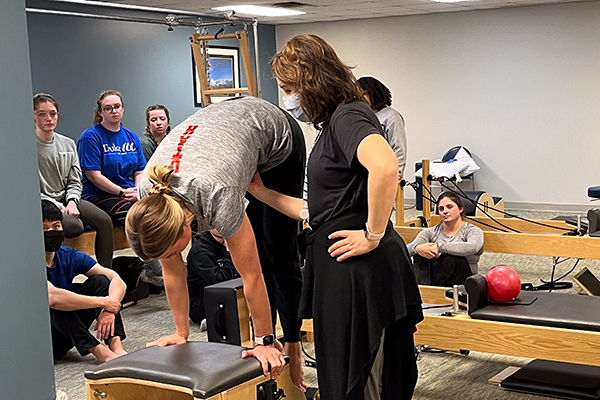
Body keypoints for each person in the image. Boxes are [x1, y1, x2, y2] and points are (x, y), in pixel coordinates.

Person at [249, 34, 423, 400]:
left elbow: (387, 167)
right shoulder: (334, 124)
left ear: (309, 82)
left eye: (288, 88)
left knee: (360, 381)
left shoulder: (348, 115)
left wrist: (372, 234)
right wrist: (261, 192)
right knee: (341, 375)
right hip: (342, 264)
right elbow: (316, 212)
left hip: (361, 269)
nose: (287, 99)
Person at [125, 96, 307, 390]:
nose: (172, 257)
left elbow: (251, 275)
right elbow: (172, 272)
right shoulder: (149, 194)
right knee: (259, 245)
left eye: (173, 251)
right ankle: (274, 341)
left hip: (274, 136)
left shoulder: (216, 194)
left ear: (186, 223)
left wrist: (262, 343)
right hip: (226, 142)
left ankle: (293, 348)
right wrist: (180, 332)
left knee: (276, 250)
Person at [77, 90, 162, 286]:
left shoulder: (130, 136)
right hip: (100, 194)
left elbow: (140, 170)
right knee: (136, 216)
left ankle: (154, 266)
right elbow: (93, 175)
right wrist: (122, 192)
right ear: (100, 112)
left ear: (122, 109)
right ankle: (157, 270)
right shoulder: (91, 137)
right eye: (108, 108)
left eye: (117, 107)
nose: (113, 111)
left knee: (156, 212)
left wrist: (138, 191)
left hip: (129, 192)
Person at [34, 93, 114, 268]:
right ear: (33, 116)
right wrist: (56, 205)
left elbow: (75, 180)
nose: (49, 118)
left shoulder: (68, 143)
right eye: (42, 114)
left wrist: (72, 201)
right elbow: (29, 188)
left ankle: (107, 273)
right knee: (74, 227)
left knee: (104, 220)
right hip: (43, 201)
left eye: (53, 114)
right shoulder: (27, 146)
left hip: (67, 198)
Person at [42, 200, 127, 364]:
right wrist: (104, 302)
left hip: (67, 332)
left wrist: (110, 308)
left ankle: (116, 346)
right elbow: (52, 298)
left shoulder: (67, 255)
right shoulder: (27, 263)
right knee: (56, 303)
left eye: (56, 226)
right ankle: (101, 352)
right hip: (43, 340)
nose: (52, 231)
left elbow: (116, 279)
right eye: (44, 229)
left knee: (100, 281)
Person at [407, 191, 484, 286]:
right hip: (433, 278)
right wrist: (417, 248)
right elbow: (407, 249)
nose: (445, 211)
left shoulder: (473, 231)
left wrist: (439, 247)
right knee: (420, 252)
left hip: (463, 281)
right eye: (441, 209)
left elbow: (473, 247)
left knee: (451, 256)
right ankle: (424, 291)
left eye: (449, 207)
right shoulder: (430, 232)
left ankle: (429, 291)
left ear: (460, 209)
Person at [186, 229, 239, 329]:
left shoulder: (231, 241)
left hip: (225, 295)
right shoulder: (200, 252)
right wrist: (229, 252)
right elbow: (221, 281)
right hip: (201, 302)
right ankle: (216, 319)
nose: (222, 225)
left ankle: (220, 318)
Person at [357, 76, 407, 178]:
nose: (361, 98)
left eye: (364, 94)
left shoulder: (391, 116)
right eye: (358, 95)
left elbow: (398, 151)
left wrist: (394, 179)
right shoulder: (359, 116)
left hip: (384, 175)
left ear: (374, 93)